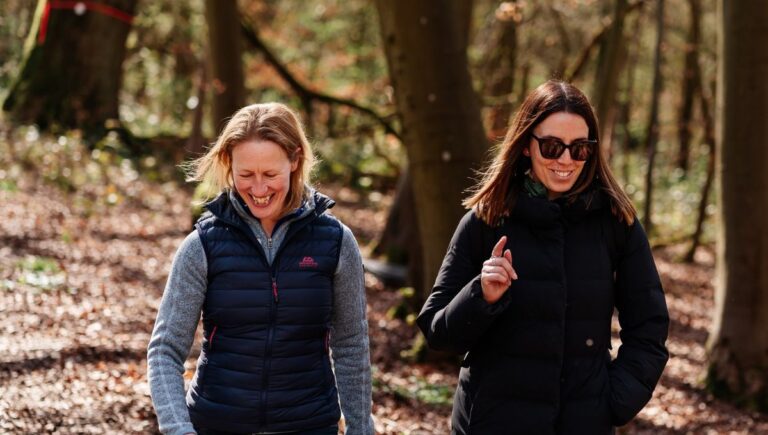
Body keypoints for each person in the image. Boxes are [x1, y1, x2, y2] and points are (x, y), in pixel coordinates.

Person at [417, 80, 669, 434]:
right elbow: (437, 331)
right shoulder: (486, 219)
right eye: (551, 147)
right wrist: (481, 295)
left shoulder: (616, 223)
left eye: (579, 148)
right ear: (525, 146)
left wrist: (612, 403)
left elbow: (650, 328)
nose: (566, 160)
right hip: (492, 422)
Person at [147, 103, 374, 435]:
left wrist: (360, 429)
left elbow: (351, 344)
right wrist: (178, 429)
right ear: (228, 163)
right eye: (245, 175)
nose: (258, 189)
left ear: (295, 160)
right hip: (217, 424)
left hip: (309, 425)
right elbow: (165, 349)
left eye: (270, 174)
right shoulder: (202, 246)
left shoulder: (336, 242)